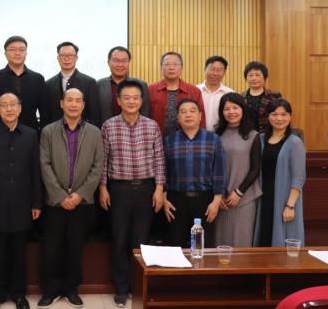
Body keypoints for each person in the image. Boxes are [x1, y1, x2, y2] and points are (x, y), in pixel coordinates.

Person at [99, 80, 165, 308]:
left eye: (135, 97)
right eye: (126, 97)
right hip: (118, 189)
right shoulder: (108, 126)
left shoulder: (151, 126)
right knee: (119, 239)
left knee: (140, 241)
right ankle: (121, 288)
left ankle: (138, 287)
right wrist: (103, 188)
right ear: (118, 100)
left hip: (146, 189)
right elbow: (103, 160)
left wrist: (159, 189)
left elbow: (159, 160)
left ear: (141, 100)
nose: (131, 101)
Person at [0, 92, 42, 309]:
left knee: (19, 254)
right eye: (4, 105)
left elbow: (36, 171)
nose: (9, 109)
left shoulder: (31, 135)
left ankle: (19, 295)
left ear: (20, 108)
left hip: (23, 204)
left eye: (13, 104)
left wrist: (36, 202)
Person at [38, 88, 103, 309]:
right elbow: (44, 164)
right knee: (51, 249)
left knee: (76, 249)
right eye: (69, 100)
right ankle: (50, 290)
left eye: (78, 101)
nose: (73, 104)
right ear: (61, 104)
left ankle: (71, 289)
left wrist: (79, 195)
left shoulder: (94, 132)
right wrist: (59, 195)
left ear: (83, 105)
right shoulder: (48, 131)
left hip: (82, 203)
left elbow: (97, 167)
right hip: (54, 202)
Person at [163, 99, 225, 248]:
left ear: (200, 115)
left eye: (192, 111)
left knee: (203, 245)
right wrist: (164, 199)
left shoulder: (213, 139)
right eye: (183, 112)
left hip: (205, 200)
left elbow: (219, 171)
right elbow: (163, 170)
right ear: (178, 118)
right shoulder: (169, 140)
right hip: (176, 200)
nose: (188, 115)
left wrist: (216, 201)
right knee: (175, 245)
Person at [254, 99, 305, 247]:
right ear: (268, 117)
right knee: (264, 237)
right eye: (274, 114)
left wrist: (290, 206)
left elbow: (298, 177)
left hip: (285, 199)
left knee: (283, 241)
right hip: (264, 197)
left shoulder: (295, 142)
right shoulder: (261, 139)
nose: (279, 118)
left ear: (290, 117)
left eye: (284, 114)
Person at [214, 93, 262, 247]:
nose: (231, 112)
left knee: (241, 242)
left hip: (244, 198)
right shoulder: (216, 135)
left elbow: (255, 169)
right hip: (221, 200)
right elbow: (212, 167)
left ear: (243, 109)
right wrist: (218, 195)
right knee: (220, 243)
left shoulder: (253, 135)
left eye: (235, 108)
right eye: (226, 109)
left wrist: (239, 192)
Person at [0, 36, 49, 132]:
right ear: (5, 54)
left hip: (30, 134)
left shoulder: (38, 79)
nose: (17, 53)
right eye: (13, 49)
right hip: (0, 134)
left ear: (26, 53)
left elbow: (45, 113)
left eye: (21, 50)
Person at [43, 42, 100, 127]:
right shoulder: (48, 84)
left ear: (76, 58)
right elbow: (46, 115)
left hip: (83, 131)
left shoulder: (89, 82)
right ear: (58, 58)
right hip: (55, 132)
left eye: (70, 55)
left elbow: (95, 115)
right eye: (63, 55)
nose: (67, 59)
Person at [149, 52, 206, 136]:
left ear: (181, 68)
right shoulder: (150, 89)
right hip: (156, 138)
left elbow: (201, 118)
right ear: (161, 68)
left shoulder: (194, 91)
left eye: (175, 64)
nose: (171, 67)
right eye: (167, 64)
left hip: (185, 140)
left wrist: (201, 137)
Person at [97, 46, 150, 125]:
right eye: (116, 60)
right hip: (105, 130)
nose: (120, 64)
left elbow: (145, 112)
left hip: (135, 130)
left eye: (124, 61)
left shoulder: (141, 85)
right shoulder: (99, 85)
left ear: (129, 62)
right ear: (108, 62)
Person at [241, 61, 282, 133]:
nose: (254, 78)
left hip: (268, 134)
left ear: (264, 77)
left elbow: (280, 115)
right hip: (247, 135)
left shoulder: (274, 96)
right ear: (246, 78)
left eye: (257, 75)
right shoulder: (240, 97)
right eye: (250, 75)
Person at [197, 56, 234, 132]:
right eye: (212, 69)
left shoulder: (230, 93)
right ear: (205, 69)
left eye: (219, 70)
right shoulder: (195, 91)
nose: (215, 73)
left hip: (223, 134)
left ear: (224, 72)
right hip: (198, 135)